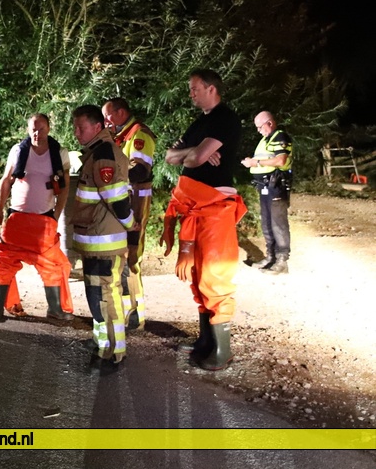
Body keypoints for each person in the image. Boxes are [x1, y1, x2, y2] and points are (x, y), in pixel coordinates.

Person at [161, 69, 246, 371]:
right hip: (194, 209)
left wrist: (195, 154)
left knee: (213, 274)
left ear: (211, 89)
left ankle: (223, 351)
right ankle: (205, 340)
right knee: (197, 275)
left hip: (215, 208)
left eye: (194, 88)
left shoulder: (226, 119)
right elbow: (170, 156)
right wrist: (194, 151)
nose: (191, 93)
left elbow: (195, 159)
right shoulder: (200, 123)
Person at [0, 113, 75, 323]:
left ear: (49, 129)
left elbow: (64, 188)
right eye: (33, 129)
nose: (37, 133)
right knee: (4, 262)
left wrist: (56, 215)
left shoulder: (59, 153)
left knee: (52, 264)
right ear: (28, 130)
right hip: (17, 219)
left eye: (41, 129)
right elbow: (6, 181)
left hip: (44, 220)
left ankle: (55, 309)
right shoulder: (18, 150)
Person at [70, 105, 136, 368]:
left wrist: (130, 224)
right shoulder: (96, 152)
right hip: (95, 239)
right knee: (97, 297)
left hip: (104, 241)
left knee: (106, 298)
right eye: (75, 128)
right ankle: (102, 344)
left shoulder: (104, 154)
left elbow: (116, 198)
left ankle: (114, 353)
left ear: (97, 127)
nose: (76, 133)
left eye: (81, 128)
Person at [102, 98, 157, 330]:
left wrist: (114, 174)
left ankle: (135, 315)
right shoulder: (119, 136)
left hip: (136, 201)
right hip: (122, 202)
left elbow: (140, 170)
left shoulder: (139, 134)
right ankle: (125, 312)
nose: (105, 120)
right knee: (119, 257)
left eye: (108, 115)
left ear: (121, 112)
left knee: (131, 257)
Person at [241, 111, 293, 275]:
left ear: (269, 123)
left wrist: (255, 162)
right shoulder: (266, 139)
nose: (258, 131)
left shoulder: (280, 137)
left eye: (260, 127)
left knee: (278, 223)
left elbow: (281, 160)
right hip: (265, 186)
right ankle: (271, 257)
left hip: (276, 185)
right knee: (267, 223)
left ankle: (282, 261)